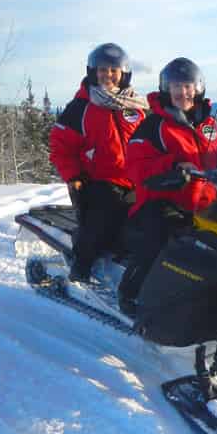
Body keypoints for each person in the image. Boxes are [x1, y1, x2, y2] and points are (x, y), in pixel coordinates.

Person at [118, 57, 217, 317]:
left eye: (187, 86)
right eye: (176, 86)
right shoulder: (154, 126)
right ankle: (131, 292)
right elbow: (136, 166)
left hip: (208, 201)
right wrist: (173, 166)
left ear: (197, 88)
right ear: (166, 88)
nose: (182, 92)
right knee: (160, 238)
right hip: (164, 200)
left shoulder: (211, 125)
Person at [49, 43, 148, 282]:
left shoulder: (136, 107)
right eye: (103, 70)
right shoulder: (81, 107)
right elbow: (60, 146)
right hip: (98, 180)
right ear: (93, 71)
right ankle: (81, 264)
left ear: (123, 73)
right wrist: (73, 175)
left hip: (136, 180)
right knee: (103, 218)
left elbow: (154, 140)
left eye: (114, 70)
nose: (108, 75)